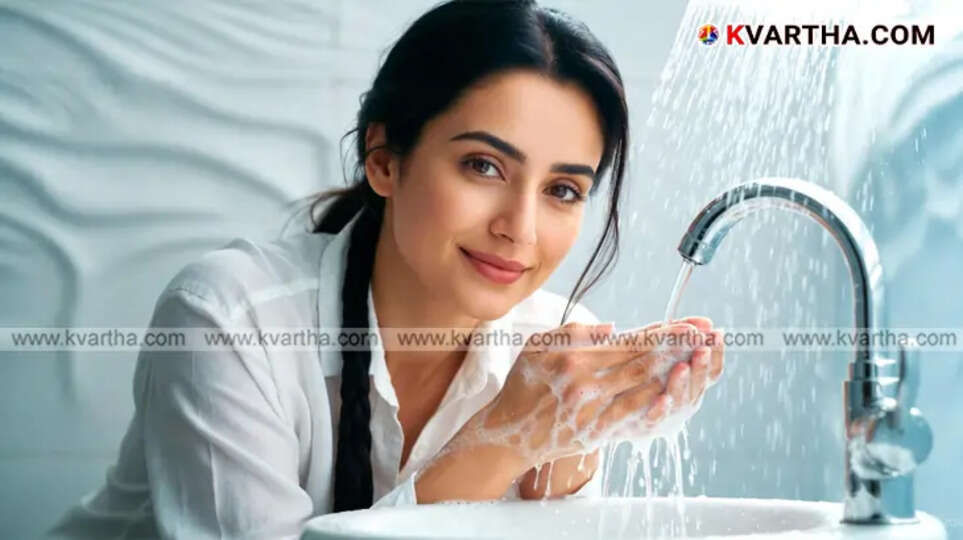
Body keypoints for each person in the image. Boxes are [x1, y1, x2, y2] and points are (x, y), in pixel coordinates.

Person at [48, 0, 724, 538]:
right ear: (383, 160)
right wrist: (506, 438)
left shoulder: (552, 349)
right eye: (483, 166)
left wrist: (569, 448)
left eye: (563, 190)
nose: (519, 228)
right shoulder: (229, 320)